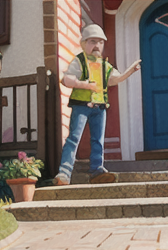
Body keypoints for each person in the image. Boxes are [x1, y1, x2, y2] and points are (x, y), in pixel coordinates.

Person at [53, 24, 141, 185]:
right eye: (93, 41)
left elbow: (115, 79)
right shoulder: (80, 61)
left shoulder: (104, 65)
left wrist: (130, 71)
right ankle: (64, 173)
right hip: (81, 105)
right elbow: (66, 79)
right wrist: (84, 84)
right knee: (74, 138)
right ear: (84, 43)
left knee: (98, 140)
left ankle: (97, 170)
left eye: (100, 42)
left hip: (100, 107)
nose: (97, 46)